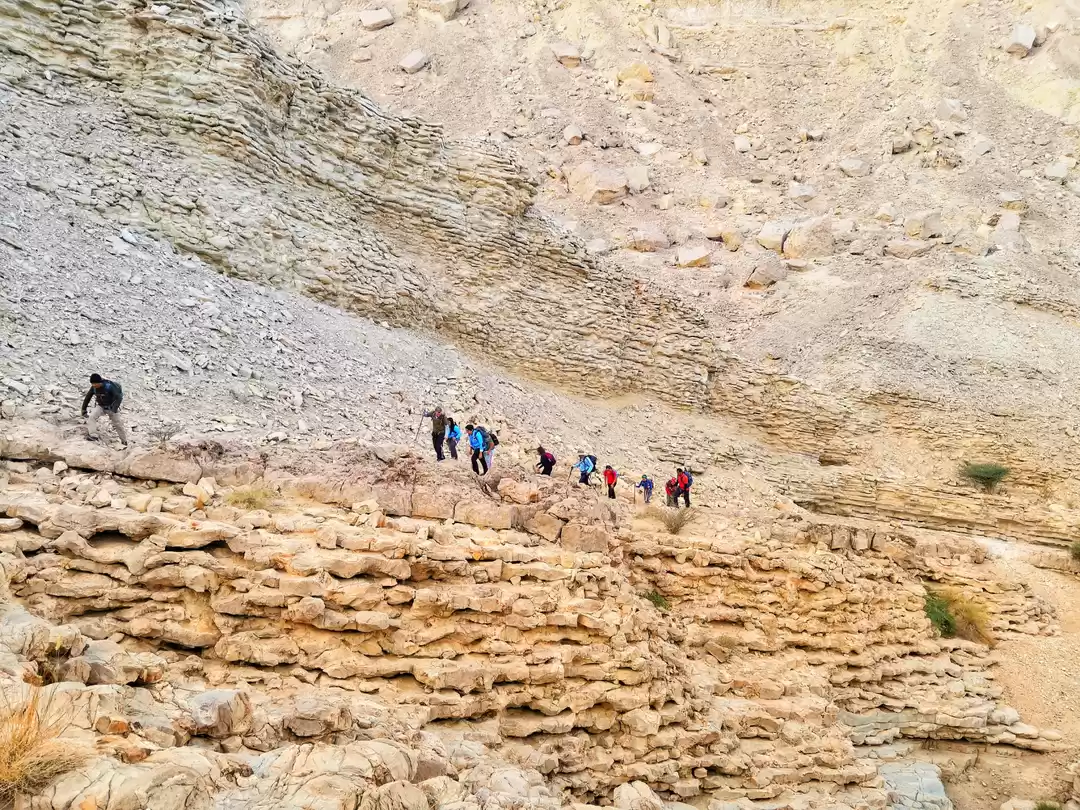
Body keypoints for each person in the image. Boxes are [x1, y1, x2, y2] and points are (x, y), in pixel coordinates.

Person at [81, 373, 129, 448]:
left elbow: (119, 397)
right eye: (92, 384)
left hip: (111, 407)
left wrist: (114, 409)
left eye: (95, 384)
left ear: (100, 382)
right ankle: (93, 435)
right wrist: (83, 409)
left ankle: (124, 441)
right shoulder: (93, 388)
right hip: (101, 406)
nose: (94, 385)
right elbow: (88, 397)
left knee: (118, 424)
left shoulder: (109, 386)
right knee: (92, 417)